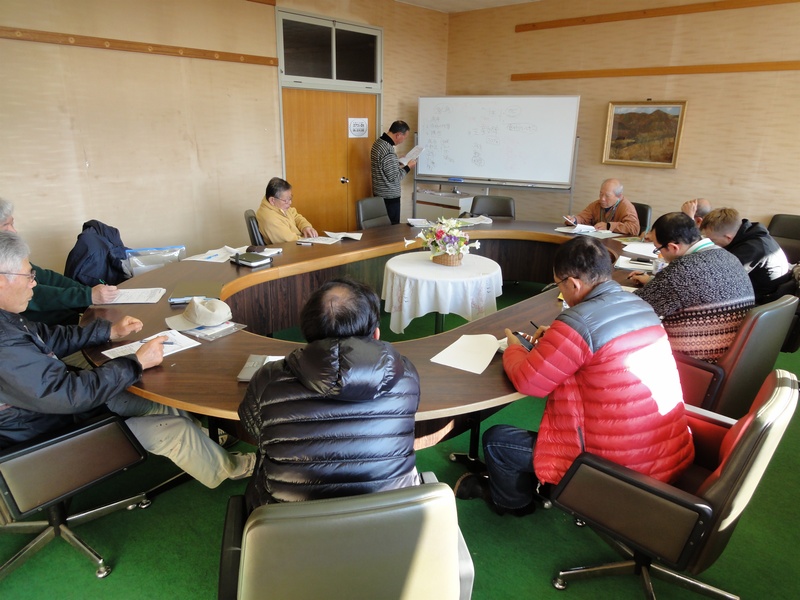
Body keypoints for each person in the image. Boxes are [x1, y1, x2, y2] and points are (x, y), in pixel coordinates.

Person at [454, 236, 694, 516]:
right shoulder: (640, 306)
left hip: (617, 468)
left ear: (574, 283)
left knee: (496, 440)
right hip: (667, 453)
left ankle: (512, 504)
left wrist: (514, 348)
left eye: (558, 284)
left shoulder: (577, 322)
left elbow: (529, 382)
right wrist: (557, 339)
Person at [0, 231, 255, 486]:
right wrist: (135, 363)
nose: (34, 283)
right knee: (176, 430)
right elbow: (69, 395)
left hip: (60, 412)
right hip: (49, 439)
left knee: (155, 400)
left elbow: (49, 337)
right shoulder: (4, 343)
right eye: (28, 276)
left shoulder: (7, 320)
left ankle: (206, 445)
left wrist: (108, 331)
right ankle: (232, 468)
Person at [239, 277, 420, 511]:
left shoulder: (267, 379)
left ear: (307, 334)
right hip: (390, 519)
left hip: (288, 523)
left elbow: (255, 429)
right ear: (376, 334)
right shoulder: (405, 374)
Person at [630, 212, 755, 363]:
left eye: (658, 249)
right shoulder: (726, 255)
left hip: (697, 362)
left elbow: (634, 309)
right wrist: (653, 282)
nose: (659, 254)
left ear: (673, 247)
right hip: (733, 354)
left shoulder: (682, 269)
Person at [0, 197, 118, 325]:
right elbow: (34, 295)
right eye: (6, 225)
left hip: (66, 324)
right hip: (43, 330)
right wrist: (87, 296)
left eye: (12, 223)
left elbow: (48, 278)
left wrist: (90, 292)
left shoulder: (8, 254)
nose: (13, 231)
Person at [700, 207, 791, 303]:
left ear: (728, 237)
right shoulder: (747, 233)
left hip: (761, 301)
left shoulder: (751, 249)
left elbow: (721, 279)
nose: (710, 243)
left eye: (713, 240)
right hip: (752, 289)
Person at [371, 120, 417, 224]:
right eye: (404, 138)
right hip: (389, 198)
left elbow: (383, 166)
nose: (403, 141)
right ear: (398, 135)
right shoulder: (388, 150)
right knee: (392, 229)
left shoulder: (378, 143)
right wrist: (408, 167)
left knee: (381, 228)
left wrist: (397, 161)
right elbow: (395, 177)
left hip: (379, 195)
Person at [564, 178, 639, 236]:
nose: (602, 199)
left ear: (619, 196)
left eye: (607, 196)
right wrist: (574, 220)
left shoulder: (626, 206)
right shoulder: (596, 204)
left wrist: (608, 226)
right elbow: (584, 217)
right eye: (601, 194)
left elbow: (634, 228)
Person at [254, 177, 318, 244]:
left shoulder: (279, 206)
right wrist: (309, 240)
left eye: (290, 198)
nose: (290, 202)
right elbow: (290, 242)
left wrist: (305, 227)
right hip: (293, 247)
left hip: (300, 242)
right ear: (272, 200)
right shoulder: (269, 219)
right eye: (286, 200)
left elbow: (296, 216)